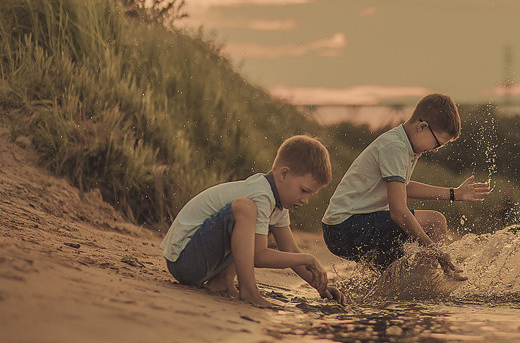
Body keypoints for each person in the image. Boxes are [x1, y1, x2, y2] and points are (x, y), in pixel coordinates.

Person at [161, 135, 342, 307]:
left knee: (259, 226)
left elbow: (291, 251)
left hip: (201, 262)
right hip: (184, 260)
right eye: (304, 190)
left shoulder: (278, 205)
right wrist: (308, 258)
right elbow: (258, 255)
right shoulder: (261, 195)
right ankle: (249, 291)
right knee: (246, 209)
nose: (305, 200)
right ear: (284, 174)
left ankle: (223, 281)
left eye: (310, 194)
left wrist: (320, 286)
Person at [321, 93, 490, 277]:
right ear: (422, 127)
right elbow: (399, 212)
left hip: (344, 226)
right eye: (437, 144)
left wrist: (454, 194)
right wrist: (435, 251)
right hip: (345, 226)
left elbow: (403, 188)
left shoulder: (406, 145)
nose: (434, 150)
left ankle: (407, 292)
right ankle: (423, 289)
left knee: (397, 275)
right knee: (435, 222)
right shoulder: (395, 147)